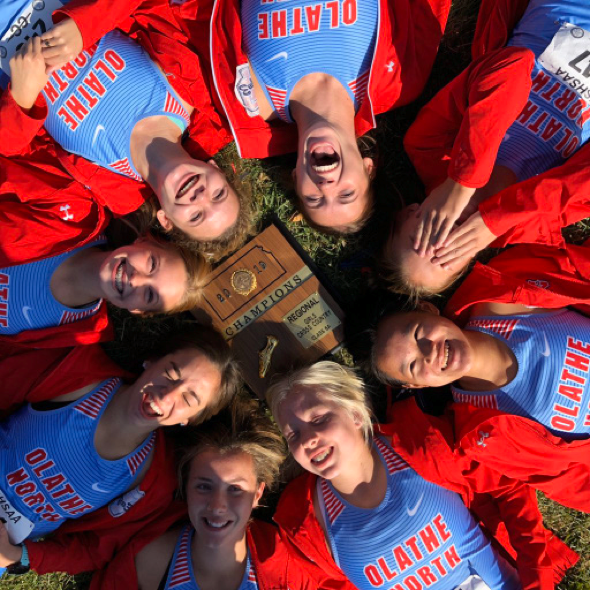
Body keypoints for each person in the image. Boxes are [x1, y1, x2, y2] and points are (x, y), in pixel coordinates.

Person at [267, 361, 577, 590]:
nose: (307, 439)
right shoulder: (304, 523)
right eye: (293, 435)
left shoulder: (418, 446)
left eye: (319, 418)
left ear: (356, 414)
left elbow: (507, 489)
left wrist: (539, 579)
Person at [3, 3, 251, 258]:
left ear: (166, 220)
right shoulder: (189, 90)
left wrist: (21, 99)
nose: (201, 197)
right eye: (218, 194)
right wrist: (83, 27)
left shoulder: (101, 183)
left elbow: (14, 152)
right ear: (216, 168)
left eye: (196, 216)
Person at [379, 0, 590, 296]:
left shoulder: (427, 145)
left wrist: (462, 182)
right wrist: (499, 218)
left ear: (410, 212)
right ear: (468, 261)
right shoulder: (532, 226)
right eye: (445, 258)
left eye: (422, 237)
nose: (444, 237)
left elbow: (514, 64)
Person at [0, 326, 241, 576]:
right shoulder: (75, 372)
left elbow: (93, 550)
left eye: (189, 399)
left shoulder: (151, 484)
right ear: (152, 361)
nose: (168, 394)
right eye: (170, 373)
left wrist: (18, 556)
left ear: (191, 419)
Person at [371, 248, 590, 513]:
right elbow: (567, 481)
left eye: (418, 334)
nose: (430, 352)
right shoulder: (484, 439)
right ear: (418, 385)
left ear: (428, 309)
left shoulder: (504, 287)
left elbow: (577, 263)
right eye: (414, 365)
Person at [88, 394, 319, 589]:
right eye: (204, 486)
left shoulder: (289, 568)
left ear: (257, 494)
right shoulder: (149, 564)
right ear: (187, 487)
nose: (217, 505)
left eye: (235, 489)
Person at [0, 222, 209, 355]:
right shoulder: (74, 219)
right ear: (145, 240)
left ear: (138, 311)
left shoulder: (78, 336)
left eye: (149, 294)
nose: (136, 280)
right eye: (152, 264)